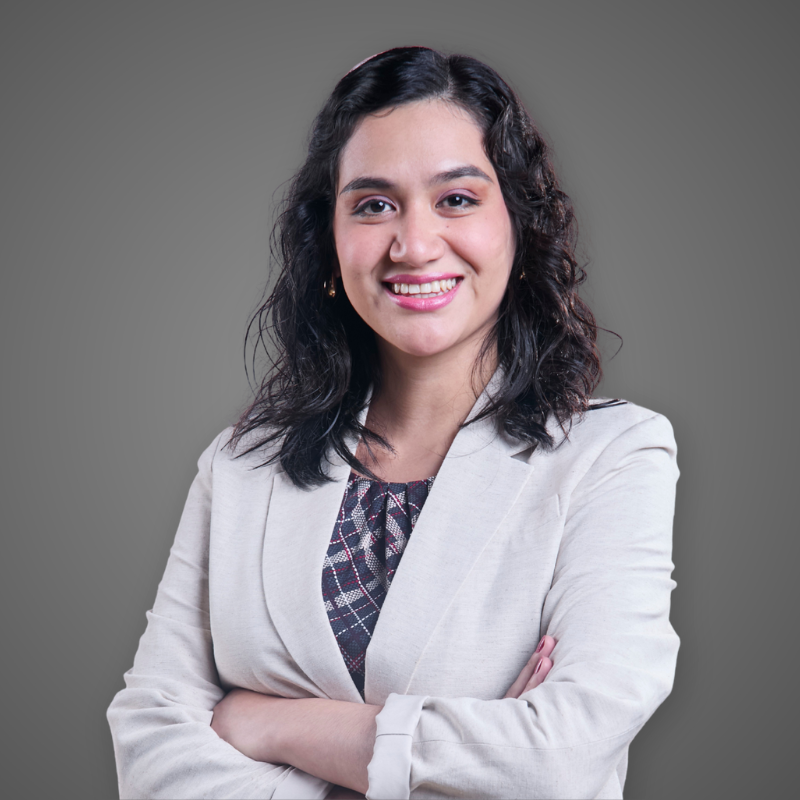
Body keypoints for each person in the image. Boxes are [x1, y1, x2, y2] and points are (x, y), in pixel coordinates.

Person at [107, 47, 680, 799]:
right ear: (330, 238)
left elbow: (558, 761)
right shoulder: (239, 465)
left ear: (519, 223)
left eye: (456, 199)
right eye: (374, 204)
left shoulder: (614, 455)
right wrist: (456, 759)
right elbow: (150, 741)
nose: (412, 245)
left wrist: (271, 725)